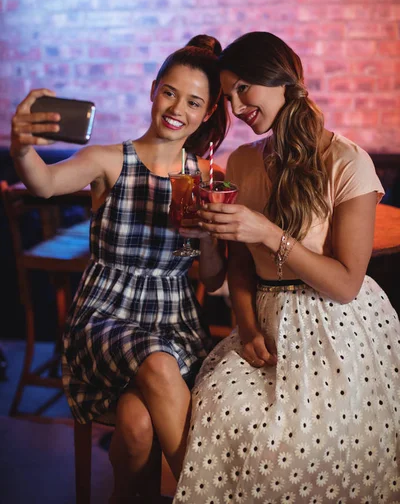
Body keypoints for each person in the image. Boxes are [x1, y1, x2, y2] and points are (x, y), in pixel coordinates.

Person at [173, 31, 400, 503]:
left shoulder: (346, 162)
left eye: (243, 89)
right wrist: (247, 326)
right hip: (262, 321)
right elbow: (237, 265)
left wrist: (266, 231)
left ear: (280, 80)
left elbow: (344, 284)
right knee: (217, 414)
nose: (234, 107)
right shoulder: (243, 159)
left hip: (337, 328)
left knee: (299, 449)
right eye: (227, 95)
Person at [10, 34, 229, 504]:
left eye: (193, 102)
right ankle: (212, 496)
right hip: (107, 316)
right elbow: (45, 184)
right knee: (155, 360)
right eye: (169, 92)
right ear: (153, 90)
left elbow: (212, 279)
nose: (177, 108)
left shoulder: (206, 178)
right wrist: (22, 147)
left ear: (207, 113)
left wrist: (208, 233)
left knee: (135, 426)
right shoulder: (109, 159)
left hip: (176, 322)